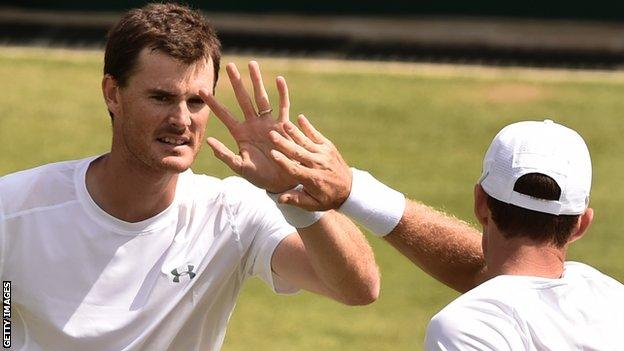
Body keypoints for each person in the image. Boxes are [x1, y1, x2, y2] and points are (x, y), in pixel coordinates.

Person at [0, 4, 383, 351]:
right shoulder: (12, 208)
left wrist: (292, 191)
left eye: (197, 102)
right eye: (161, 98)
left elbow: (359, 288)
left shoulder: (232, 213)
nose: (182, 120)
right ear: (113, 93)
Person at [267, 117, 624, 349]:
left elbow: (496, 281)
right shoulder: (610, 299)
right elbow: (496, 277)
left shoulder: (464, 329)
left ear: (480, 203)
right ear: (581, 224)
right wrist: (352, 193)